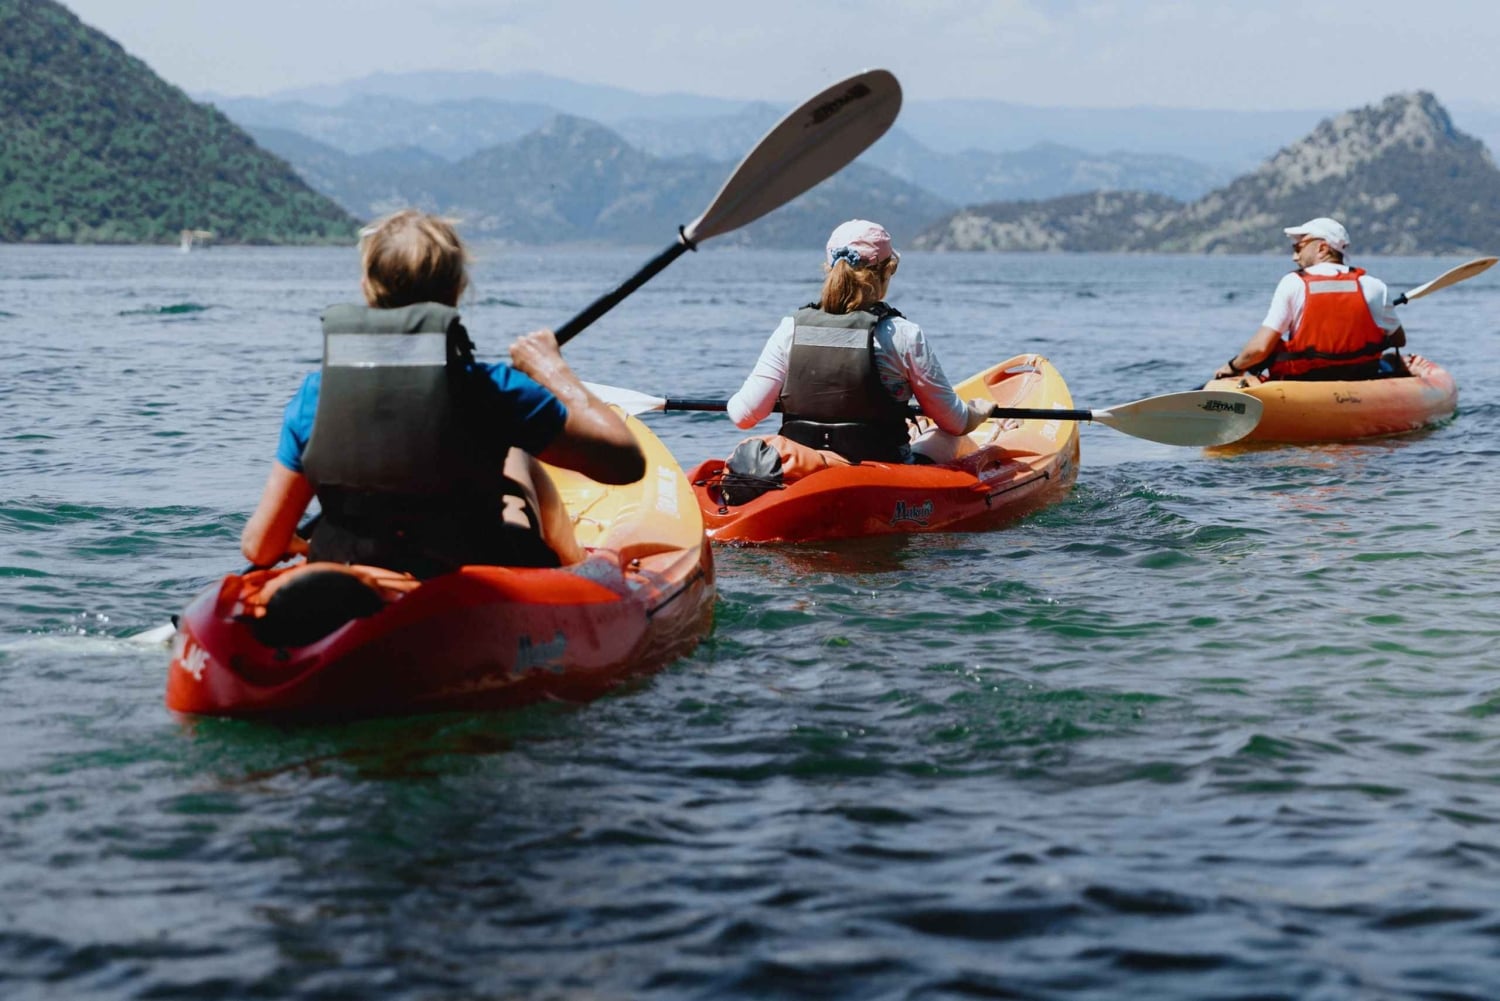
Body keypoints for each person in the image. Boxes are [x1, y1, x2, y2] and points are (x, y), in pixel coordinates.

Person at [240, 209, 644, 577]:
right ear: (457, 288)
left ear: (367, 288)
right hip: (469, 586)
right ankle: (576, 569)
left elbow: (260, 548)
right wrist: (552, 370)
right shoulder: (495, 390)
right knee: (517, 453)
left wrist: (295, 543)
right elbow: (626, 463)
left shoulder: (316, 396)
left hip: (350, 581)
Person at [725, 219, 993, 476]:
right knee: (947, 436)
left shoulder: (790, 329)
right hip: (884, 470)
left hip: (805, 467)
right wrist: (976, 413)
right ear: (886, 271)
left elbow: (742, 416)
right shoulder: (903, 334)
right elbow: (955, 423)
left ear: (829, 269)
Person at [1213, 217, 1406, 382]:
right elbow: (1399, 340)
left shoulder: (1293, 283)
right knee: (1389, 360)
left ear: (1322, 248)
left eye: (1299, 247)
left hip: (1305, 381)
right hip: (1360, 377)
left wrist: (1233, 366)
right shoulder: (1374, 286)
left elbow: (1260, 349)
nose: (1294, 257)